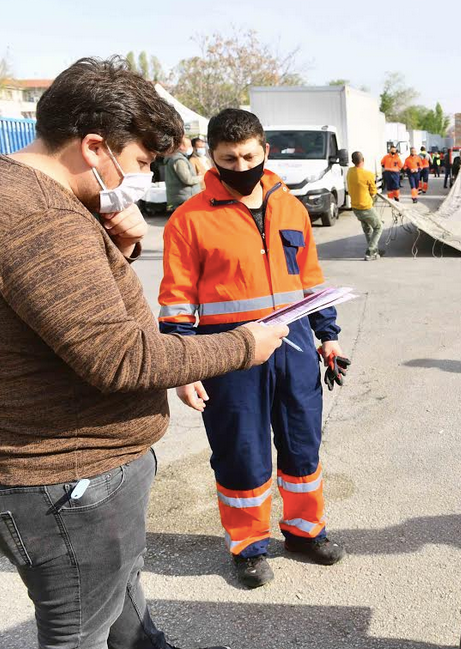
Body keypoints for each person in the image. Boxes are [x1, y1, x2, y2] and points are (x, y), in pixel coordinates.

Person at [0, 57, 288, 649]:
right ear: (96, 147)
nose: (143, 178)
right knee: (79, 628)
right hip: (68, 477)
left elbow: (66, 310)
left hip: (81, 470)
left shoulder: (24, 195)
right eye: (141, 163)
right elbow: (120, 358)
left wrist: (116, 248)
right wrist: (243, 345)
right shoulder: (41, 218)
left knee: (120, 596)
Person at [159, 108, 348, 589]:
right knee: (241, 451)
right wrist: (184, 367)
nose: (240, 166)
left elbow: (310, 279)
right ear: (212, 157)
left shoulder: (293, 207)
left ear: (265, 151)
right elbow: (176, 297)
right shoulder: (189, 220)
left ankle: (305, 531)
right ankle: (248, 546)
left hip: (296, 345)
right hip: (229, 353)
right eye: (228, 158)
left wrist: (327, 335)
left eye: (248, 156)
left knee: (303, 444)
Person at [347, 151, 384, 261]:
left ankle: (374, 251)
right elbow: (373, 191)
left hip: (355, 207)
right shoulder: (368, 174)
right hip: (365, 207)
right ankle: (370, 251)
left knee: (368, 229)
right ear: (363, 160)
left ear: (353, 161)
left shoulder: (350, 171)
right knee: (378, 226)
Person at [164, 136, 203, 210]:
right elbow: (187, 179)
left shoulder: (176, 158)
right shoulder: (179, 160)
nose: (190, 148)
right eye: (189, 146)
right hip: (185, 198)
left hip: (182, 197)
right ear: (181, 146)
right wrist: (200, 178)